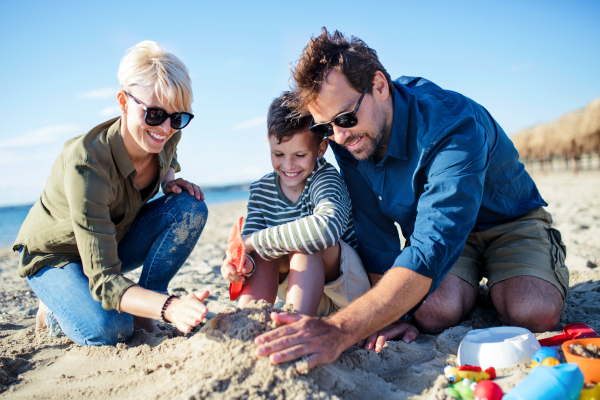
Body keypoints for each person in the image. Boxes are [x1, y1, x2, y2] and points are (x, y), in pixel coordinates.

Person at [254, 28, 568, 370]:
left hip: (508, 222)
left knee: (532, 311)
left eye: (345, 118)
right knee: (433, 314)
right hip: (441, 235)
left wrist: (340, 330)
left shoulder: (453, 127)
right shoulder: (351, 138)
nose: (340, 136)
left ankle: (515, 275)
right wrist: (389, 316)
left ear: (379, 86)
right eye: (326, 128)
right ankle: (478, 287)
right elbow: (375, 228)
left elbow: (430, 248)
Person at [14, 41, 210, 346]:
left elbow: (169, 154)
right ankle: (56, 309)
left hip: (110, 238)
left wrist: (169, 182)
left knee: (190, 208)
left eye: (178, 117)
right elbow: (104, 281)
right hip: (57, 255)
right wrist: (171, 307)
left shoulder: (167, 133)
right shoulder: (87, 163)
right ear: (123, 102)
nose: (167, 128)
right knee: (111, 329)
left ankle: (148, 303)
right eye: (155, 114)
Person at [221, 93, 370, 317]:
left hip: (348, 294)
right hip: (302, 293)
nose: (289, 165)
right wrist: (243, 264)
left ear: (321, 149)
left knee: (306, 243)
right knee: (263, 254)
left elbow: (325, 230)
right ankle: (247, 322)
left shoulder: (325, 178)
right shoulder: (261, 190)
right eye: (278, 154)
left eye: (300, 155)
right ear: (268, 142)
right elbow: (250, 250)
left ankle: (294, 328)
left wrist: (252, 242)